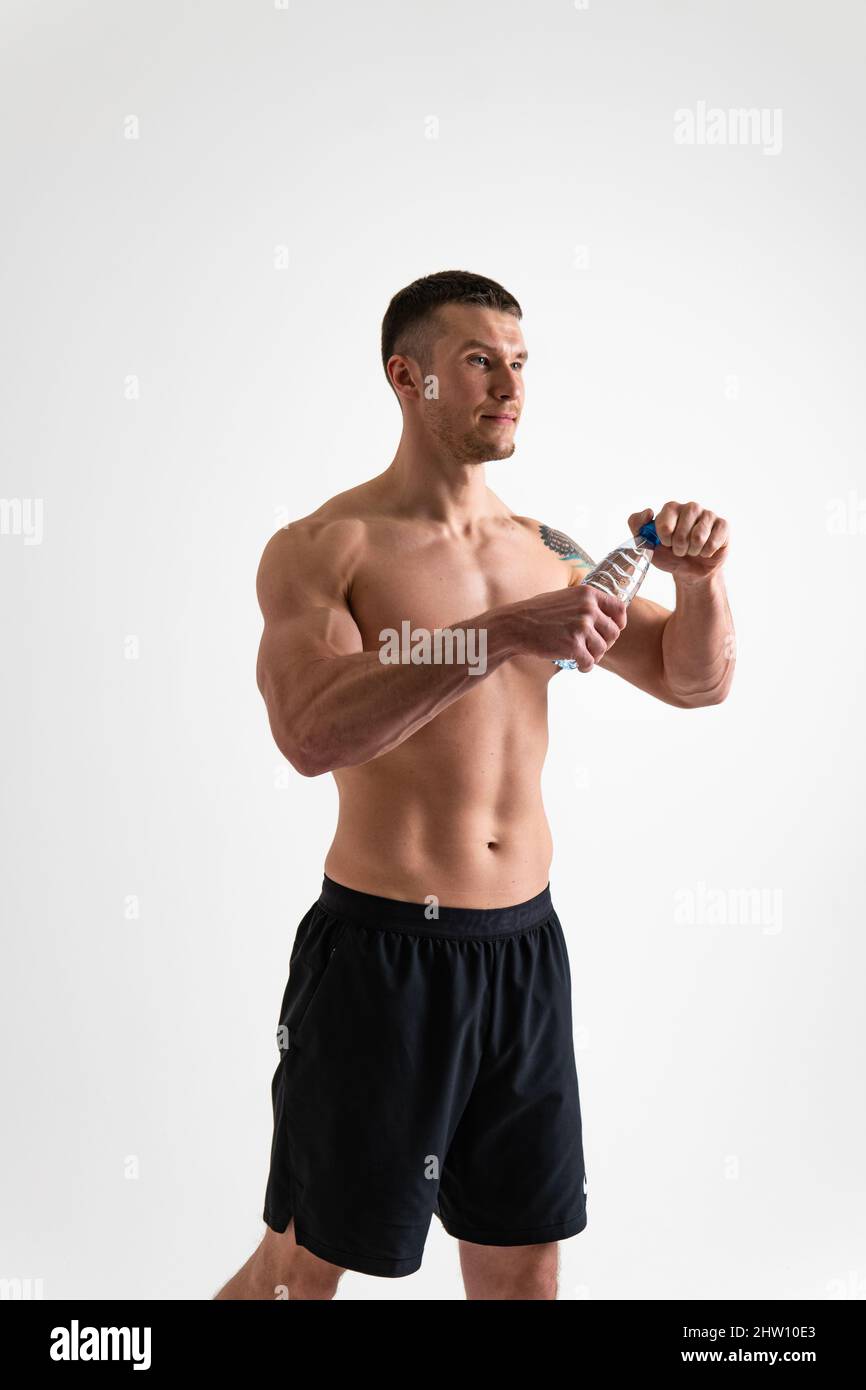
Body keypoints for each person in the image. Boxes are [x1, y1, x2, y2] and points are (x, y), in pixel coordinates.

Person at [214, 270, 734, 1301]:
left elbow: (692, 679)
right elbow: (310, 733)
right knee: (299, 1269)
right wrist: (504, 634)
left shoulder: (547, 551)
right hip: (379, 960)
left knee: (521, 1270)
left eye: (519, 362)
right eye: (478, 362)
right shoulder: (324, 548)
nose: (509, 384)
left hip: (520, 955)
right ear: (408, 378)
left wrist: (702, 583)